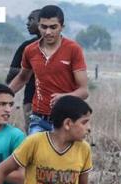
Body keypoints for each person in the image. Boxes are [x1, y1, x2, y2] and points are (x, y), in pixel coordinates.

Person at [8, 5, 89, 135]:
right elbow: (22, 78)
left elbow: (84, 91)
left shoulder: (73, 50)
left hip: (66, 120)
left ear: (62, 27)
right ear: (39, 26)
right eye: (44, 27)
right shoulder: (30, 50)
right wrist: (2, 94)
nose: (48, 32)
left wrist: (64, 97)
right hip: (38, 118)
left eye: (53, 27)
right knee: (35, 148)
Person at [6, 9, 41, 131]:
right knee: (32, 133)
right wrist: (30, 71)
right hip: (31, 99)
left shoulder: (65, 47)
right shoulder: (27, 47)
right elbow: (13, 72)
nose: (27, 23)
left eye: (31, 19)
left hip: (57, 102)